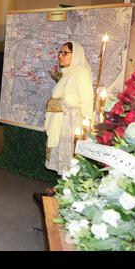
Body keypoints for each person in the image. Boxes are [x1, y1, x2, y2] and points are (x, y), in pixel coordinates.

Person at [45, 41, 94, 176]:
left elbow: (83, 101)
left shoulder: (81, 74)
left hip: (71, 124)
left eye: (65, 53)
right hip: (60, 122)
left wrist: (51, 103)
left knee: (69, 160)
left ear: (76, 55)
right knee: (60, 158)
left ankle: (64, 191)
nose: (60, 55)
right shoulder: (67, 73)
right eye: (60, 52)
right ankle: (60, 189)